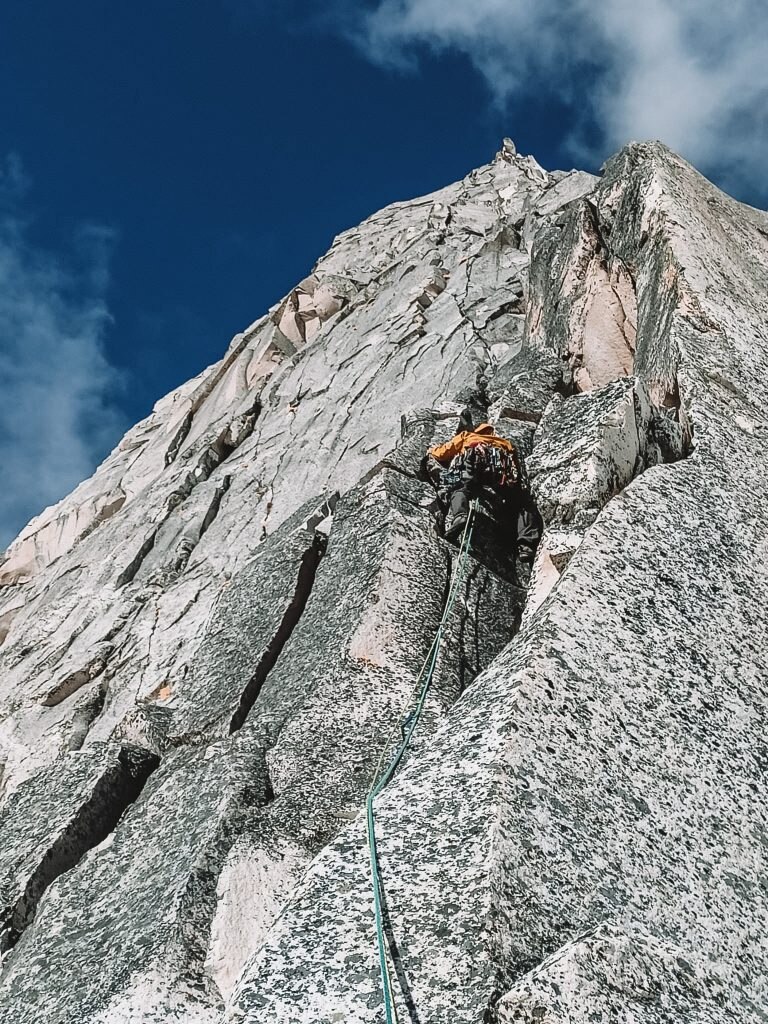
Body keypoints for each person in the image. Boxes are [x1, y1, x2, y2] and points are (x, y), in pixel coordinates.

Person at [426, 419, 541, 560]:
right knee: (522, 503)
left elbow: (442, 454)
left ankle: (460, 516)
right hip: (497, 472)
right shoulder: (505, 443)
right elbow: (515, 475)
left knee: (458, 488)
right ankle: (526, 545)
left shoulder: (467, 436)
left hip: (472, 466)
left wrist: (432, 450)